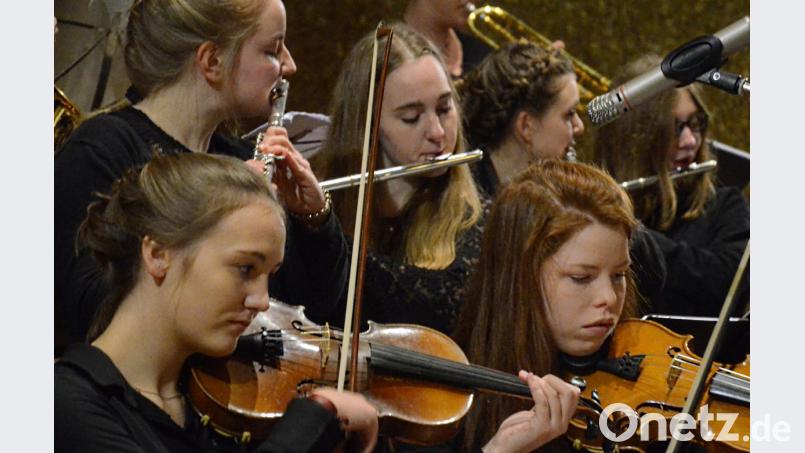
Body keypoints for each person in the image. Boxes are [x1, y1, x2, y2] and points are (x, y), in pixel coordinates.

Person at [54, 0, 349, 353]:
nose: (290, 65)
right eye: (272, 50)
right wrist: (215, 213)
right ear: (212, 61)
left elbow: (308, 311)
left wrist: (313, 218)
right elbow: (89, 308)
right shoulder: (101, 149)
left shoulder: (237, 157)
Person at [54, 153, 379, 452]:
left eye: (269, 274)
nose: (262, 301)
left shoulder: (214, 408)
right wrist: (317, 416)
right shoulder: (65, 404)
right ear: (158, 254)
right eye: (245, 268)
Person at [459, 41, 666, 308]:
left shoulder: (566, 193)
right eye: (569, 115)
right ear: (526, 126)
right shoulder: (468, 216)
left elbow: (655, 270)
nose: (579, 127)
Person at [453, 159, 638, 452]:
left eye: (619, 275)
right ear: (520, 277)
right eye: (581, 278)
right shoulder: (450, 402)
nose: (610, 298)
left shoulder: (640, 390)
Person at [313, 23, 485, 333]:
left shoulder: (479, 222)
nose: (437, 132)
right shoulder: (329, 205)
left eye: (444, 108)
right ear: (368, 126)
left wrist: (321, 234)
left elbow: (437, 306)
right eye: (411, 118)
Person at [593, 54, 750, 316]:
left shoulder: (724, 205)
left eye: (695, 123)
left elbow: (728, 285)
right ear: (634, 138)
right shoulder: (596, 210)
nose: (690, 141)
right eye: (673, 128)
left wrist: (635, 234)